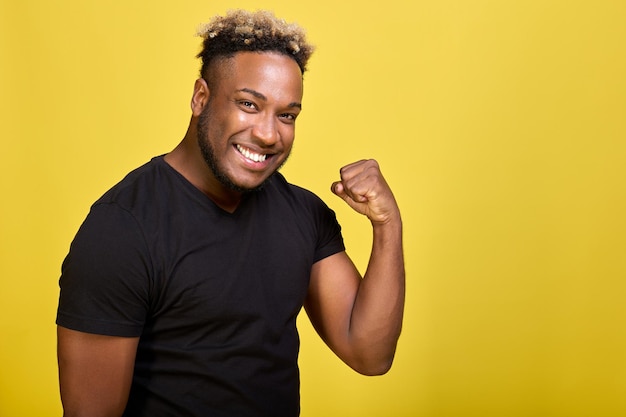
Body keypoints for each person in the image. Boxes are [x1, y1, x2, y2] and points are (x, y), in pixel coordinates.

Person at [56, 9, 405, 417]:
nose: (269, 133)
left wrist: (387, 224)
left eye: (286, 115)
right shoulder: (122, 229)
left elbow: (369, 354)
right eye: (248, 104)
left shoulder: (304, 214)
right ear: (200, 97)